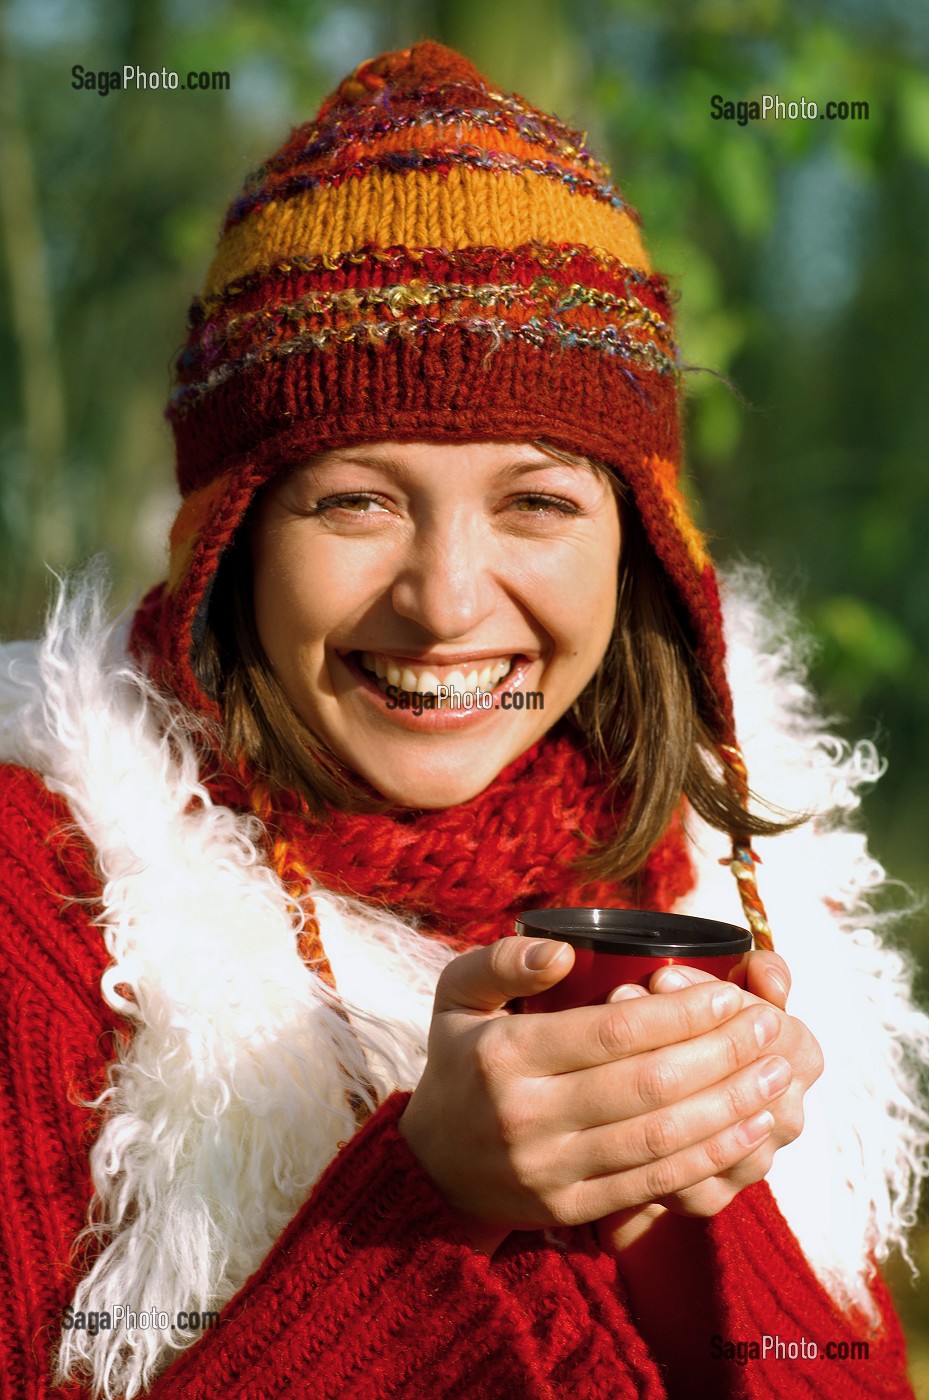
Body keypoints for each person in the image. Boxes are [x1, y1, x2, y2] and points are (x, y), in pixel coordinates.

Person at [0, 39, 925, 1400]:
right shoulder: (48, 896)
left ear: (638, 548)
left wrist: (691, 1184)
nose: (442, 604)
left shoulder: (729, 894)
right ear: (230, 537)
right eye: (353, 500)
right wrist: (426, 1199)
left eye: (537, 502)